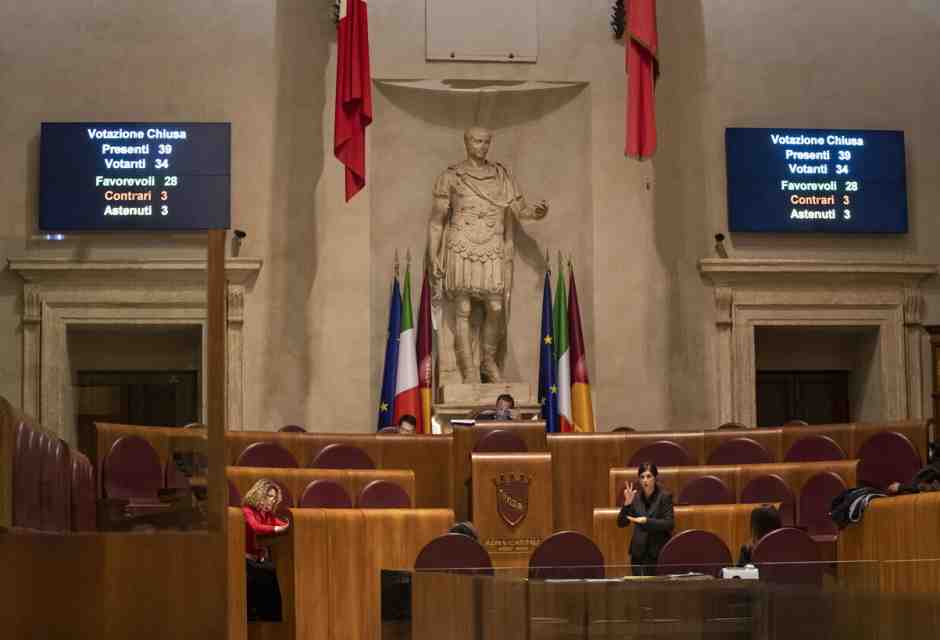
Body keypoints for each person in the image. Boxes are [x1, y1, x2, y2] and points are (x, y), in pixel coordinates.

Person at [429, 126, 549, 383]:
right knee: (462, 308)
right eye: (477, 141)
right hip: (461, 244)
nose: (481, 146)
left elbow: (520, 209)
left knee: (495, 306)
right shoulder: (451, 176)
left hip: (492, 245)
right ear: (466, 142)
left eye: (485, 142)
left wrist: (536, 213)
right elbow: (437, 221)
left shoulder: (501, 176)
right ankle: (469, 370)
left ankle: (487, 360)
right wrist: (433, 254)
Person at [242, 479, 290, 622]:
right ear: (259, 494)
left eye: (274, 498)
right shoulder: (247, 511)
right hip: (246, 562)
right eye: (269, 496)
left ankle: (272, 622)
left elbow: (283, 525)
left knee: (272, 579)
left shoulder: (267, 515)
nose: (272, 501)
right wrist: (276, 528)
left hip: (260, 562)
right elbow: (255, 527)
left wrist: (289, 525)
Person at [617, 462, 674, 576]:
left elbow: (669, 523)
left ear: (655, 478)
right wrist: (627, 504)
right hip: (638, 554)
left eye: (649, 476)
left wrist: (647, 521)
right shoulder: (635, 498)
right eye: (642, 477)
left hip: (657, 552)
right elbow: (621, 523)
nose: (645, 480)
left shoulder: (664, 497)